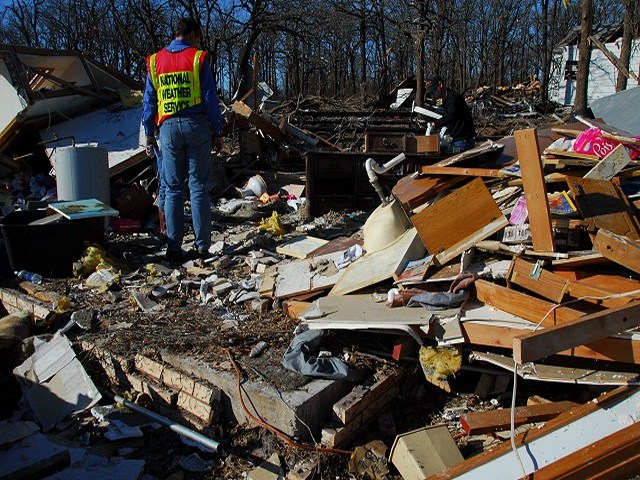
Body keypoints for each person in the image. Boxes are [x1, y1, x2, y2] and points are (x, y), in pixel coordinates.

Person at [142, 17, 224, 261]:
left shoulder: (156, 62)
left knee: (173, 188)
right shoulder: (198, 58)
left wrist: (148, 133)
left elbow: (149, 101)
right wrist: (218, 132)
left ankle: (174, 248)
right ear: (191, 34)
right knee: (198, 186)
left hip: (167, 128)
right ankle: (202, 248)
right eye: (196, 37)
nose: (197, 41)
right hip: (196, 125)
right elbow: (209, 98)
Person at [425, 75, 476, 153]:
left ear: (440, 85)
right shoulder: (446, 99)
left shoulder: (452, 99)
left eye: (434, 91)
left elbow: (450, 116)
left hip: (463, 141)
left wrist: (435, 124)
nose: (433, 94)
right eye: (431, 93)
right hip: (457, 139)